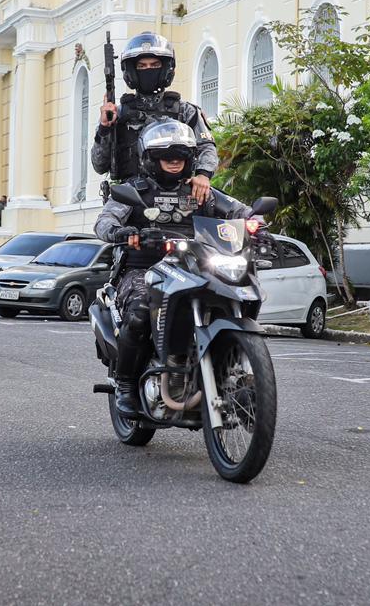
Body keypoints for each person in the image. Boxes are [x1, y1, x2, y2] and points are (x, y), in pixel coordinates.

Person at [93, 120, 254, 417]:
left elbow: (240, 211)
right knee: (141, 311)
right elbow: (103, 223)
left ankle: (231, 376)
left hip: (193, 268)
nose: (174, 160)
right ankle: (126, 384)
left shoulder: (201, 191)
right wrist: (123, 232)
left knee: (230, 298)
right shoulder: (134, 191)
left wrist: (255, 222)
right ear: (150, 159)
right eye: (166, 156)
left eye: (180, 155)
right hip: (142, 269)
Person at [91, 32, 218, 205]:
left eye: (155, 64)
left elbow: (207, 148)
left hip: (180, 199)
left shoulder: (185, 111)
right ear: (132, 71)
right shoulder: (117, 114)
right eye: (142, 66)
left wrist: (203, 175)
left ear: (166, 68)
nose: (148, 69)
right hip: (131, 199)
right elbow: (99, 165)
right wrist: (104, 127)